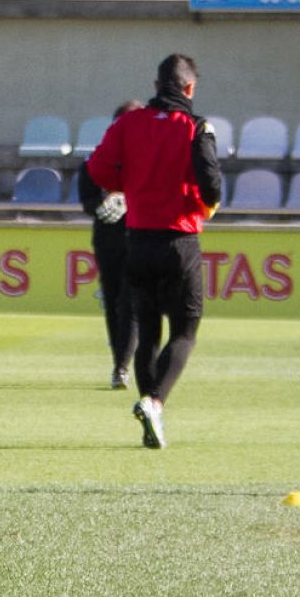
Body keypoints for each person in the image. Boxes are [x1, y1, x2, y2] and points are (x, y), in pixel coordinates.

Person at [85, 54, 222, 449]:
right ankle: (155, 402)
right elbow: (210, 179)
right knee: (185, 330)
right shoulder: (196, 127)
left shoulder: (128, 123)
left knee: (148, 332)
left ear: (156, 84)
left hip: (138, 239)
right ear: (190, 88)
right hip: (180, 240)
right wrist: (206, 204)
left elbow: (97, 169)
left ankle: (149, 408)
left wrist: (127, 184)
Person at [77, 100, 142, 391]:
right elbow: (87, 199)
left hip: (141, 238)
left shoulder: (147, 160)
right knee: (114, 301)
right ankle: (120, 361)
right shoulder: (97, 159)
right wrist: (102, 204)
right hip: (107, 240)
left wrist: (129, 200)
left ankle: (122, 367)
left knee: (129, 301)